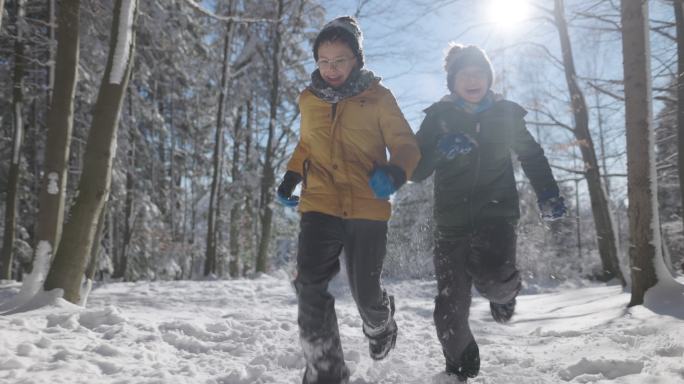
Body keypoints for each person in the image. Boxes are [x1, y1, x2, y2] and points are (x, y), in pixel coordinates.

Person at [276, 16, 420, 384]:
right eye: (323, 61)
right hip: (319, 201)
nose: (331, 68)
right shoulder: (309, 99)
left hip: (366, 203)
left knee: (366, 294)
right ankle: (326, 369)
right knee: (309, 282)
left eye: (339, 60)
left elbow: (405, 145)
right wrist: (293, 174)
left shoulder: (377, 97)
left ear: (357, 58)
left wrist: (395, 172)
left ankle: (381, 324)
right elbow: (308, 143)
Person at [411, 43, 566, 382]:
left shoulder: (506, 114)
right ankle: (459, 362)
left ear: (488, 78)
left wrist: (548, 194)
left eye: (479, 73)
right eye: (464, 74)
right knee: (449, 309)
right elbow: (414, 169)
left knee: (495, 280)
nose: (472, 79)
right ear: (452, 81)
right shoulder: (438, 118)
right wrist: (440, 150)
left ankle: (503, 293)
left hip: (496, 217)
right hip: (450, 226)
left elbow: (532, 156)